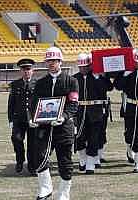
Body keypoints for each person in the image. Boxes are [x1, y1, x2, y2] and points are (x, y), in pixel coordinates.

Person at [30, 46, 79, 200]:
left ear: (60, 61)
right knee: (39, 156)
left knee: (65, 161)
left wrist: (64, 117)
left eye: (54, 60)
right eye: (49, 60)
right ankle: (45, 187)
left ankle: (64, 193)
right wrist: (33, 118)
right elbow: (35, 103)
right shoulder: (40, 83)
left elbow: (73, 104)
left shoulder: (71, 81)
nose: (51, 63)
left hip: (63, 127)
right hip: (44, 127)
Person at [73, 53, 113, 174]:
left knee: (94, 138)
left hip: (95, 112)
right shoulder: (74, 78)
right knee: (79, 137)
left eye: (86, 66)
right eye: (81, 67)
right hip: (79, 112)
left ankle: (91, 163)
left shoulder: (98, 77)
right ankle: (82, 159)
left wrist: (99, 77)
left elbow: (108, 88)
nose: (83, 69)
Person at [7, 58, 37, 174]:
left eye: (28, 69)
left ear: (32, 70)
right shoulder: (15, 85)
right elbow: (11, 103)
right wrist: (10, 119)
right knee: (16, 139)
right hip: (19, 118)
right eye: (24, 69)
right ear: (20, 71)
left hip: (33, 118)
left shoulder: (37, 84)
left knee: (33, 144)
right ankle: (20, 160)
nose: (26, 71)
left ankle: (32, 166)